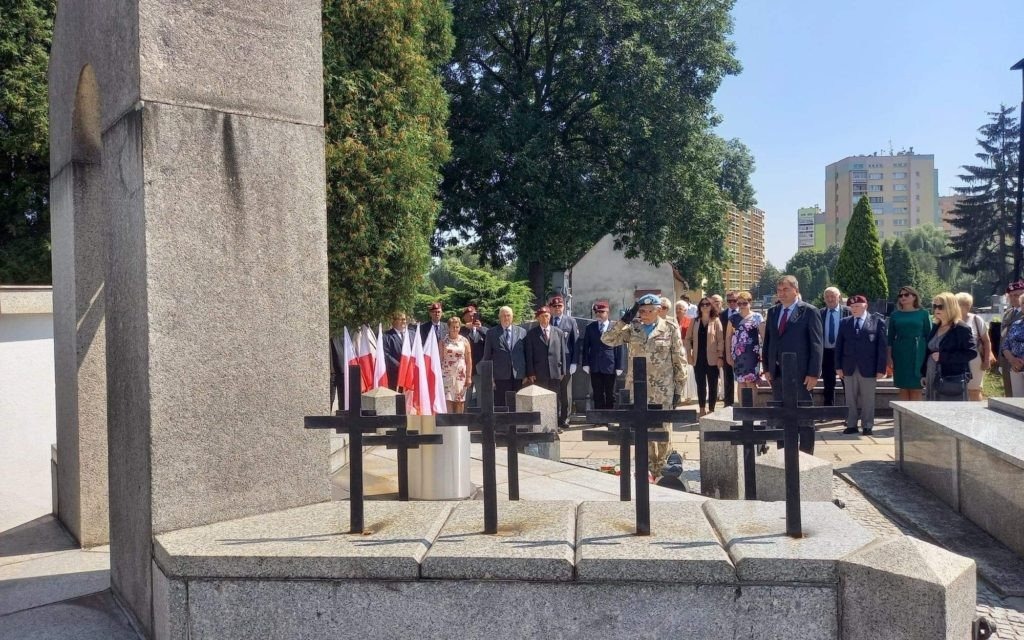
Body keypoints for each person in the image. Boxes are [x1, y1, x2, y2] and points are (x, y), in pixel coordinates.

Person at [602, 293, 687, 476]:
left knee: (663, 429)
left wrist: (679, 388)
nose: (646, 314)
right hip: (638, 387)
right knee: (642, 429)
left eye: (650, 310)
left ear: (658, 310)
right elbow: (607, 339)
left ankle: (665, 470)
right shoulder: (633, 328)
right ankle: (647, 470)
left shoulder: (670, 328)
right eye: (642, 310)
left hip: (662, 388)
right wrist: (624, 319)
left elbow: (679, 359)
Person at [762, 274, 823, 453]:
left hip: (802, 375)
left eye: (786, 289)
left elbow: (816, 345)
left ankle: (806, 455)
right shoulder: (773, 312)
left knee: (804, 417)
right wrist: (767, 368)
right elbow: (768, 342)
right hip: (778, 374)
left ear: (796, 290)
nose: (782, 293)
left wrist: (813, 373)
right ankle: (783, 453)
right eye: (779, 290)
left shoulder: (809, 311)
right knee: (782, 416)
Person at [835, 295, 887, 435]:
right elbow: (839, 346)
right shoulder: (845, 322)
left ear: (865, 306)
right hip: (849, 366)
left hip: (869, 367)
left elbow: (881, 348)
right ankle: (851, 424)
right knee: (850, 398)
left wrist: (881, 368)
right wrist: (838, 367)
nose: (854, 309)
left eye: (857, 306)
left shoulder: (877, 322)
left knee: (868, 398)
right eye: (852, 307)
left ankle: (867, 425)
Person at [922, 292, 977, 401]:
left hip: (951, 378)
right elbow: (928, 352)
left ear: (950, 307)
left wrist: (944, 357)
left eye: (940, 306)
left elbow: (971, 352)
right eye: (935, 306)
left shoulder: (961, 328)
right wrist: (923, 374)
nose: (936, 309)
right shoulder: (936, 326)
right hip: (932, 375)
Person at [887, 286, 932, 401]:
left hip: (918, 353)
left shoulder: (923, 314)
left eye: (906, 295)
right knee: (903, 387)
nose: (903, 297)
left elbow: (929, 336)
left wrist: (928, 357)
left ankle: (915, 418)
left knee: (917, 387)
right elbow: (890, 338)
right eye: (900, 295)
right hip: (900, 353)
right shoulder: (895, 315)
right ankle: (903, 417)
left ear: (914, 296)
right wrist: (889, 357)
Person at [580, 301, 625, 410]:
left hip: (610, 365)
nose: (599, 314)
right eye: (597, 312)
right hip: (595, 365)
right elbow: (586, 347)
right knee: (597, 393)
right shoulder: (590, 327)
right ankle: (599, 418)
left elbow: (619, 347)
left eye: (601, 311)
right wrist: (585, 363)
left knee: (610, 393)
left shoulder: (615, 327)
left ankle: (609, 417)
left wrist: (620, 366)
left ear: (607, 312)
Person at [481, 306, 527, 407]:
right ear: (499, 317)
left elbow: (526, 354)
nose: (506, 318)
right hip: (500, 376)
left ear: (512, 317)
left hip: (518, 375)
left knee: (517, 404)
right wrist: (490, 377)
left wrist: (526, 374)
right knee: (501, 404)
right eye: (503, 316)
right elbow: (487, 356)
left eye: (508, 315)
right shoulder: (491, 333)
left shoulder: (522, 332)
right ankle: (503, 424)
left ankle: (515, 423)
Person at [687, 296, 724, 416]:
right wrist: (689, 354)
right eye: (702, 304)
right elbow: (687, 339)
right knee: (701, 385)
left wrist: (720, 357)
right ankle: (702, 409)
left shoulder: (716, 321)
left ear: (711, 306)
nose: (704, 306)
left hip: (713, 359)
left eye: (707, 304)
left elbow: (720, 340)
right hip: (698, 358)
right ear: (699, 307)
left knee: (713, 385)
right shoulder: (694, 321)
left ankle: (712, 409)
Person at [724, 291, 765, 399]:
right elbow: (728, 337)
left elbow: (764, 336)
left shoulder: (757, 317)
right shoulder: (733, 318)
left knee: (751, 382)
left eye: (744, 303)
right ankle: (742, 410)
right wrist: (728, 356)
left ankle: (752, 411)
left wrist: (764, 354)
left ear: (750, 303)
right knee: (741, 382)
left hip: (752, 355)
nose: (741, 306)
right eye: (739, 303)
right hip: (738, 355)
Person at [524, 306, 569, 398]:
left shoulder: (558, 332)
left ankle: (555, 413)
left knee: (555, 398)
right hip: (539, 373)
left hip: (555, 372)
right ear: (538, 318)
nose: (545, 318)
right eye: (542, 316)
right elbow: (529, 354)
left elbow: (562, 352)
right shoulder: (531, 334)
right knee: (541, 398)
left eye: (547, 316)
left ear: (550, 316)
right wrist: (530, 373)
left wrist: (563, 371)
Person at [956, 292, 993, 401]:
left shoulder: (976, 320)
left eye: (964, 304)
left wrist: (986, 360)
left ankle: (977, 415)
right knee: (956, 390)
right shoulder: (950, 320)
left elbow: (986, 341)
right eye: (958, 303)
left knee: (974, 390)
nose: (961, 306)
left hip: (974, 359)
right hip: (955, 359)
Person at [548, 295, 578, 427]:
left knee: (565, 393)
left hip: (566, 362)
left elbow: (575, 343)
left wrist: (574, 362)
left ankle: (565, 418)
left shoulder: (570, 321)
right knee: (552, 392)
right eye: (554, 306)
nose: (557, 309)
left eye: (559, 306)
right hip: (551, 363)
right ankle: (552, 418)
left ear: (564, 307)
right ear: (550, 308)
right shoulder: (546, 320)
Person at [819, 286, 851, 406]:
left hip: (844, 353)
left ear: (839, 297)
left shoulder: (848, 311)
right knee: (828, 383)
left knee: (847, 384)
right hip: (826, 352)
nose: (830, 299)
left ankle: (849, 412)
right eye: (827, 297)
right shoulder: (820, 313)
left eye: (833, 296)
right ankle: (828, 411)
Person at [440, 316, 473, 413]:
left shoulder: (465, 341)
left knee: (460, 401)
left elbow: (468, 360)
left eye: (457, 327)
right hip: (446, 375)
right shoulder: (443, 341)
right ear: (448, 328)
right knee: (448, 400)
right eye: (453, 327)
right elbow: (440, 359)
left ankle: (459, 426)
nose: (455, 329)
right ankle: (449, 426)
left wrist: (469, 377)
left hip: (460, 376)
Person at [999, 281, 1024, 396]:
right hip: (1007, 357)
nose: (1014, 298)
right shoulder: (1008, 312)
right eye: (1011, 295)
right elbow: (1003, 336)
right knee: (1009, 392)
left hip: (1020, 360)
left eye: (1017, 295)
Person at [459, 305, 488, 406]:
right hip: (465, 369)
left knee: (481, 397)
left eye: (473, 315)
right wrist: (465, 327)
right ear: (464, 317)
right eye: (468, 316)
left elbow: (489, 342)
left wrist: (480, 328)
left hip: (479, 369)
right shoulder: (462, 330)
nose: (472, 318)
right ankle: (464, 419)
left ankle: (480, 419)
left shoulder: (483, 330)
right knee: (465, 397)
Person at [382, 311, 416, 390]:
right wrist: (400, 365)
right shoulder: (386, 336)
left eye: (404, 319)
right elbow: (386, 354)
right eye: (401, 319)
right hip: (395, 374)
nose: (404, 321)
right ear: (394, 321)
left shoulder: (413, 334)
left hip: (411, 373)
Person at [719, 292, 740, 406]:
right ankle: (728, 403)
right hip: (726, 349)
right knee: (728, 377)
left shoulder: (743, 313)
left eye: (734, 300)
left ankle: (744, 403)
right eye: (729, 301)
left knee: (744, 378)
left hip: (742, 350)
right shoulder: (722, 314)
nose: (732, 303)